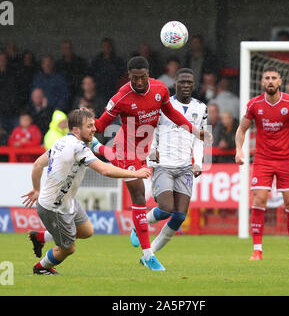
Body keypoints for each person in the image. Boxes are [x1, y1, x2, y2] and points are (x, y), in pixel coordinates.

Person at [91, 56, 212, 271]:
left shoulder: (160, 89)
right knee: (139, 197)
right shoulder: (120, 98)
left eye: (142, 77)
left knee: (170, 210)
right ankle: (148, 256)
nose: (139, 82)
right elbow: (101, 125)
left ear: (149, 74)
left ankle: (97, 149)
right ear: (128, 76)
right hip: (128, 150)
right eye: (134, 78)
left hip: (145, 149)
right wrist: (86, 122)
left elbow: (171, 113)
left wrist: (194, 131)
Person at [22, 109, 151, 275]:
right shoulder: (78, 147)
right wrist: (136, 174)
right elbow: (105, 170)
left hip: (67, 201)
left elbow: (38, 164)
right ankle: (41, 267)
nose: (94, 129)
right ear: (76, 130)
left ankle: (40, 237)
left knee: (86, 231)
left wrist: (36, 189)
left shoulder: (62, 141)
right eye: (90, 126)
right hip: (53, 208)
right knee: (68, 248)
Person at [129, 68, 207, 258]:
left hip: (185, 166)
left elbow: (199, 137)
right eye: (182, 82)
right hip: (163, 164)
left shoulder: (201, 108)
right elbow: (152, 130)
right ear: (175, 84)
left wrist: (198, 162)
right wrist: (152, 151)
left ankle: (150, 254)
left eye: (189, 82)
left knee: (179, 216)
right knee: (165, 209)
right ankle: (141, 224)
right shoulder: (164, 105)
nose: (186, 85)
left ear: (194, 85)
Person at [235, 66, 289, 261]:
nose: (270, 81)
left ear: (280, 81)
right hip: (263, 160)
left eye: (273, 78)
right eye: (266, 78)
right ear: (261, 82)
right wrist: (239, 149)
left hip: (287, 160)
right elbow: (241, 129)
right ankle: (257, 250)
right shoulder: (254, 104)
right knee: (259, 200)